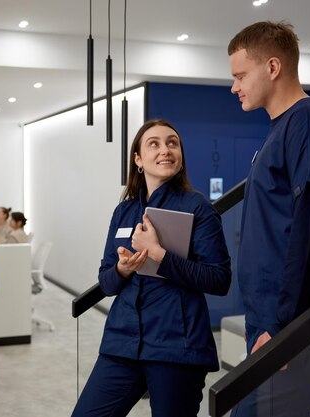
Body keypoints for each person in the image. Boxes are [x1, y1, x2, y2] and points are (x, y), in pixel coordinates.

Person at [228, 21, 310, 416]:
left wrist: (286, 326)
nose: (234, 87)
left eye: (240, 76)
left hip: (298, 318)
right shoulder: (280, 131)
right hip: (275, 314)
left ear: (272, 67)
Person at [71, 120, 231, 417]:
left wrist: (160, 255)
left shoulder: (198, 208)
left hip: (176, 347)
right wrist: (121, 269)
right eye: (154, 144)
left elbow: (219, 279)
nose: (165, 150)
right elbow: (106, 283)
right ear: (138, 159)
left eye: (172, 143)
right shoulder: (124, 211)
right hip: (122, 343)